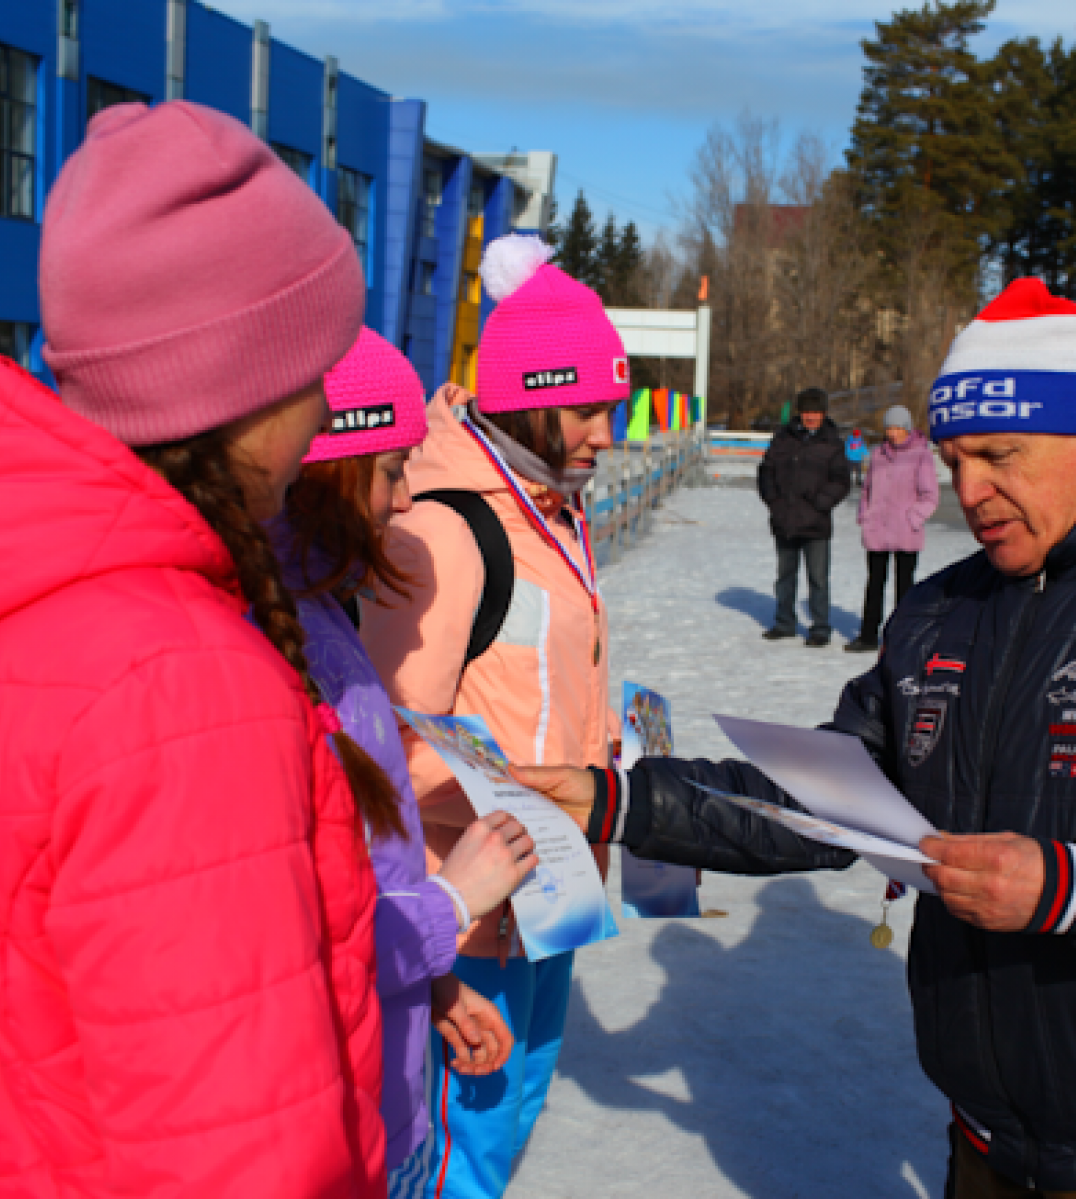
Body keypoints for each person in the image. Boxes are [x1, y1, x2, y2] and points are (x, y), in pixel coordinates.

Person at [528, 280, 1076, 1199]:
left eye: (1002, 454)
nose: (968, 491)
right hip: (986, 1136)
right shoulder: (940, 612)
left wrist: (1068, 883)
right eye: (954, 456)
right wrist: (617, 798)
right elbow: (827, 795)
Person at [0, 103, 390, 1193]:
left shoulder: (9, 613)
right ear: (231, 382)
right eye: (312, 366)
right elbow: (242, 1155)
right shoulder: (176, 681)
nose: (325, 411)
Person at [359, 234, 627, 1199]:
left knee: (499, 1143)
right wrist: (518, 807)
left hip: (545, 903)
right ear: (532, 394)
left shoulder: (550, 508)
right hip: (469, 918)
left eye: (617, 407)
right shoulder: (447, 526)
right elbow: (382, 749)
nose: (609, 432)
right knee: (452, 1164)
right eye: (592, 407)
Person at [277, 327, 544, 1188]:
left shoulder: (323, 620)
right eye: (391, 470)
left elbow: (363, 869)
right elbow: (300, 945)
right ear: (329, 467)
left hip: (385, 1086)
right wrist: (451, 903)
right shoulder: (272, 646)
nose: (401, 503)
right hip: (331, 1126)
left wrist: (429, 985)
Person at [758, 387, 851, 645]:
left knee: (818, 579)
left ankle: (820, 627)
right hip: (785, 520)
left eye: (816, 412)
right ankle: (784, 622)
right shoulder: (783, 438)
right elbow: (766, 471)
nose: (810, 417)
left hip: (816, 523)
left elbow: (842, 480)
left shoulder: (832, 442)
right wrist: (774, 502)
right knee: (785, 577)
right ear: (799, 413)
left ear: (823, 414)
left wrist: (823, 502)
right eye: (806, 411)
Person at [846, 405, 939, 652]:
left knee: (904, 587)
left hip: (906, 531)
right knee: (874, 583)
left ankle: (902, 638)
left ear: (907, 429)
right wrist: (865, 516)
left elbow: (930, 495)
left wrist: (913, 518)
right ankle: (867, 635)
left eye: (898, 428)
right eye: (889, 428)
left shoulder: (921, 455)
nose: (893, 433)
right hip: (877, 529)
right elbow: (866, 490)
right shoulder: (877, 455)